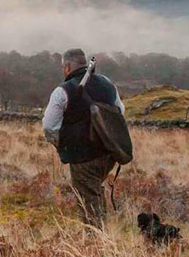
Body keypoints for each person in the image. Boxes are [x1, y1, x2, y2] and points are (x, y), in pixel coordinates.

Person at [41, 49, 126, 228]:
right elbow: (120, 111)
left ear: (67, 67)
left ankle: (96, 245)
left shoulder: (62, 91)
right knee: (93, 191)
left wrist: (63, 144)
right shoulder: (108, 84)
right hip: (109, 152)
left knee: (88, 201)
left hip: (82, 157)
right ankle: (102, 236)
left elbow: (49, 126)